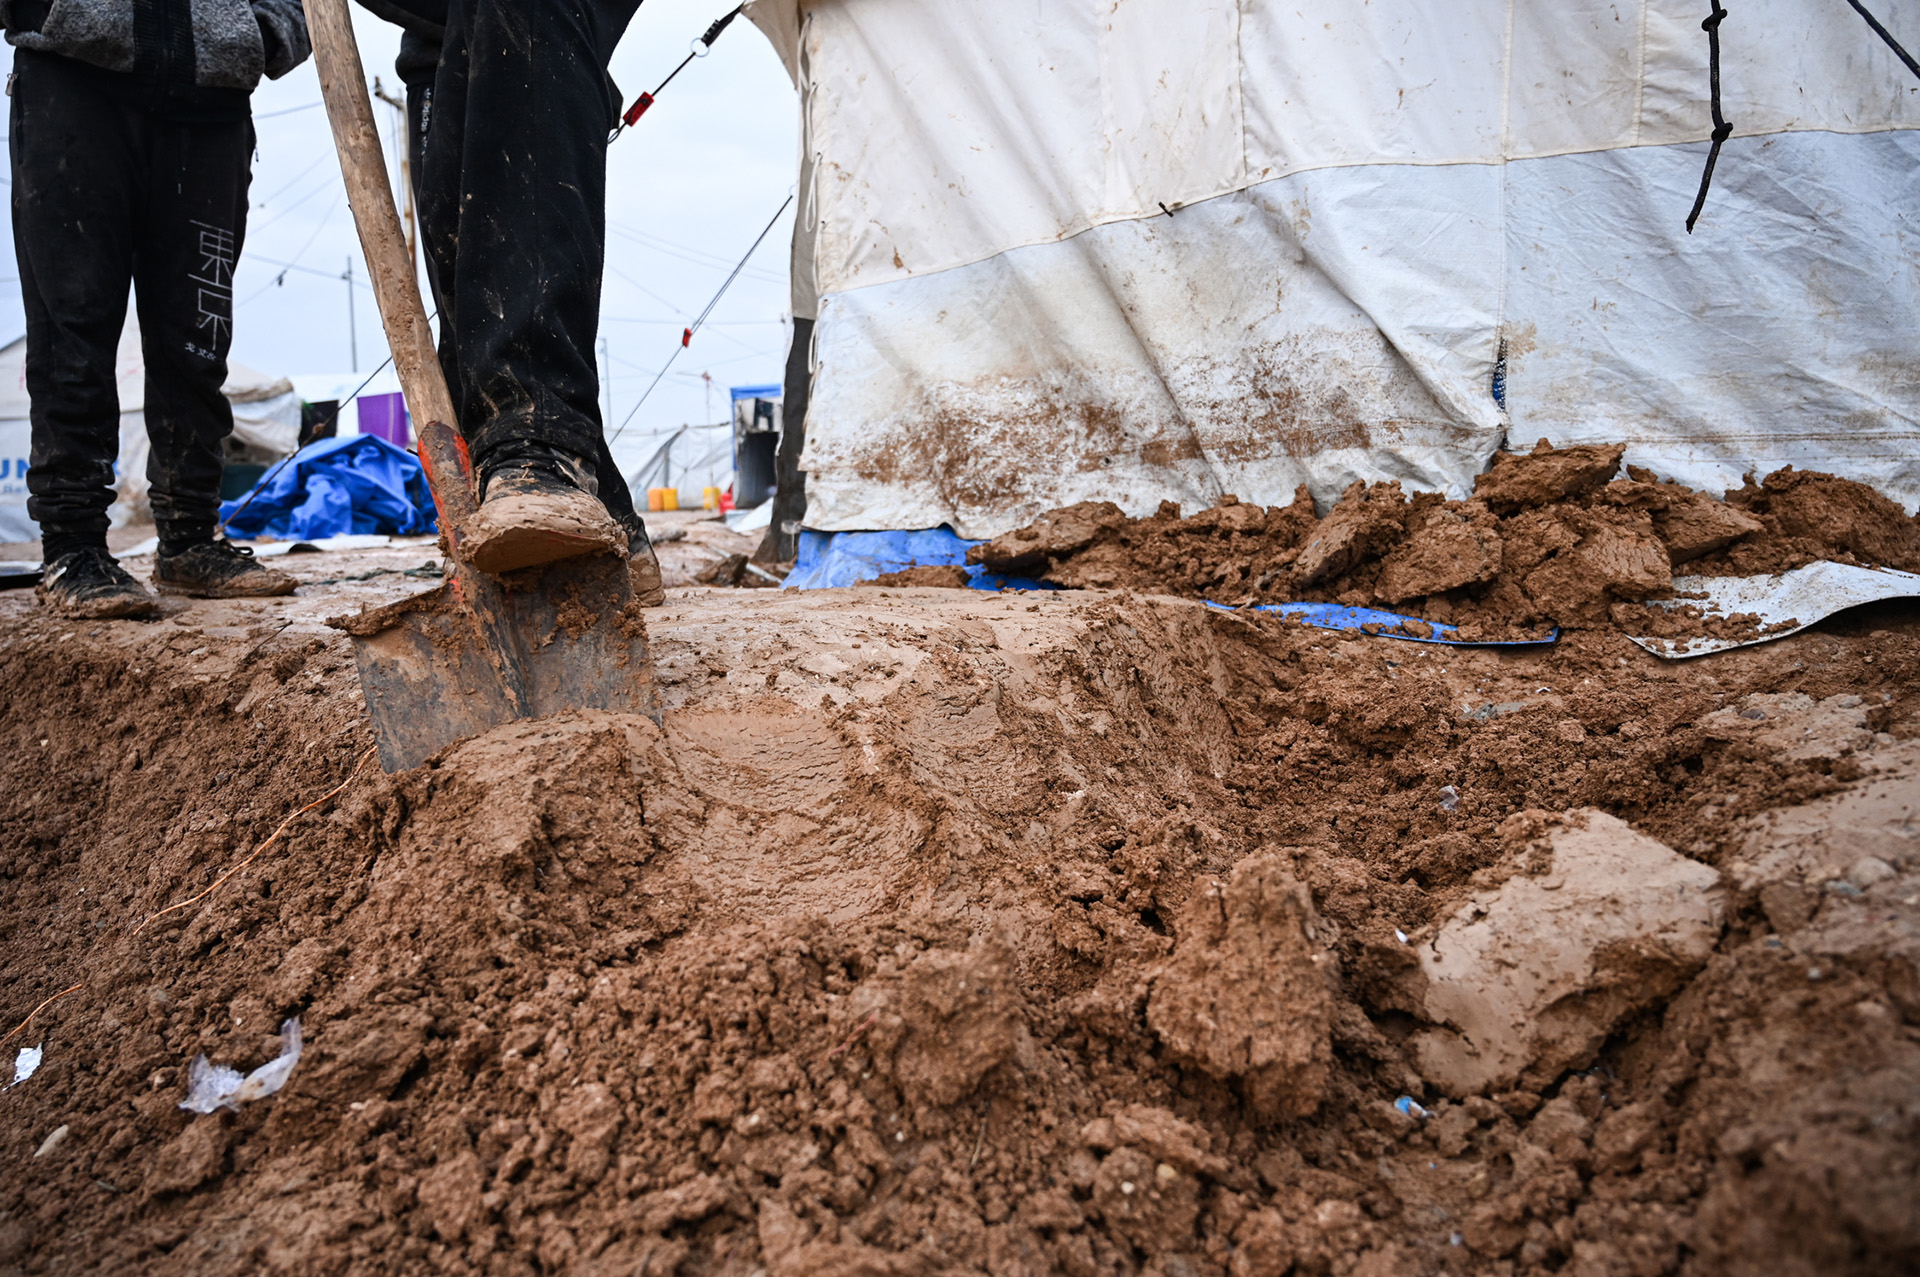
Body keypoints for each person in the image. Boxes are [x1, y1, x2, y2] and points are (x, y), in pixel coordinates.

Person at [8, 0, 313, 618]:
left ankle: (191, 540)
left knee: (197, 334)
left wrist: (261, 34)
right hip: (73, 80)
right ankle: (74, 545)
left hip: (212, 99)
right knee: (73, 326)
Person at [357, 0, 664, 602]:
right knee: (475, 299)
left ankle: (540, 450)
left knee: (523, 17)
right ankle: (581, 492)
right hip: (435, 41)